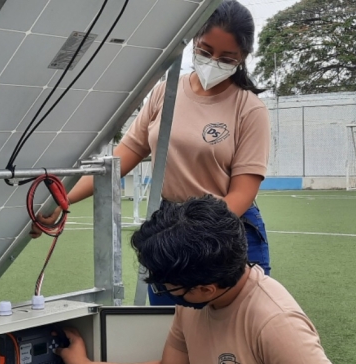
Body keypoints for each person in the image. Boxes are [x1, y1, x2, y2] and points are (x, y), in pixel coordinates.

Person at [33, 0, 272, 305]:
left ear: (243, 57)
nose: (213, 62)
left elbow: (242, 194)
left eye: (226, 57)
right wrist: (61, 198)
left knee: (235, 333)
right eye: (205, 51)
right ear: (194, 42)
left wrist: (190, 234)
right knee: (169, 333)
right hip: (170, 229)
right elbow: (120, 160)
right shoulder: (165, 92)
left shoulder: (249, 109)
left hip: (226, 232)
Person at [56, 196, 354, 364]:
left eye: (168, 287)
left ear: (206, 288)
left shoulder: (277, 324)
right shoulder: (194, 305)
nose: (165, 292)